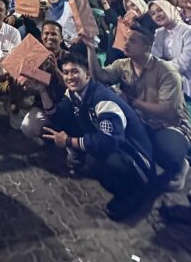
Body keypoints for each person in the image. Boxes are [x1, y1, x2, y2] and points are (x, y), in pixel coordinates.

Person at [39, 52, 155, 220]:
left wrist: (69, 141)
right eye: (66, 72)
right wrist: (42, 90)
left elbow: (109, 143)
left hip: (137, 159)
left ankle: (132, 193)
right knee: (70, 128)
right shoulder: (73, 93)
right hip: (116, 145)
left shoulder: (103, 99)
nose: (70, 77)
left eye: (75, 71)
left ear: (88, 74)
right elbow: (58, 116)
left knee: (100, 160)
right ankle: (93, 165)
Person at [85, 25, 191, 191]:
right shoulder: (123, 64)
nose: (126, 43)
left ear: (147, 48)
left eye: (133, 41)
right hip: (139, 121)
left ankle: (180, 165)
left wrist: (130, 101)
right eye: (126, 39)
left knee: (168, 153)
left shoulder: (167, 72)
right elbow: (100, 77)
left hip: (168, 124)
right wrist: (90, 48)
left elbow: (168, 111)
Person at [18, 21, 68, 141]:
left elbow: (72, 86)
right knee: (26, 127)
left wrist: (56, 70)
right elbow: (32, 89)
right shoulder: (34, 56)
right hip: (43, 104)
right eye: (46, 33)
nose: (49, 37)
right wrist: (28, 86)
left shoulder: (69, 57)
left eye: (54, 34)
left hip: (66, 106)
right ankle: (43, 139)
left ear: (61, 38)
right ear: (41, 36)